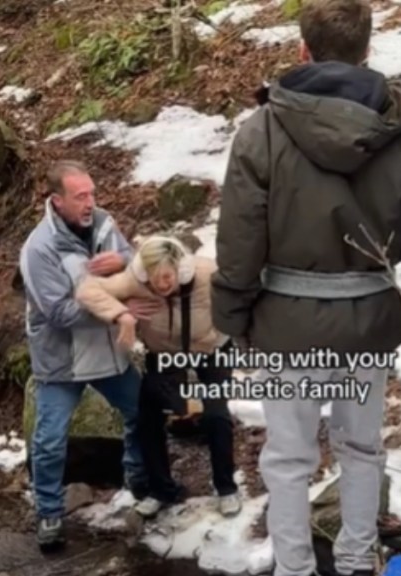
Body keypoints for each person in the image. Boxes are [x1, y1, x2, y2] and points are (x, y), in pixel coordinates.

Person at [211, 0, 401, 572]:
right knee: (362, 449)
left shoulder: (262, 131)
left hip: (287, 325)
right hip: (366, 322)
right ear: (368, 50)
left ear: (302, 49)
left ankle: (295, 569)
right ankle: (353, 562)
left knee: (289, 458)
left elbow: (239, 241)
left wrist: (233, 318)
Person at [20, 160, 147, 550]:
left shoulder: (105, 224)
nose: (91, 202)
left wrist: (124, 262)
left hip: (109, 353)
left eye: (92, 193)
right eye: (81, 196)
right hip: (62, 360)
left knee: (142, 410)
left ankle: (139, 481)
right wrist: (112, 301)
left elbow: (133, 260)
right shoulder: (38, 250)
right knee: (50, 439)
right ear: (57, 201)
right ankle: (49, 512)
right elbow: (58, 313)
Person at [75, 235, 242, 519]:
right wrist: (122, 314)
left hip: (211, 346)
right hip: (165, 352)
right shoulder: (134, 280)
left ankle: (226, 488)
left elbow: (243, 287)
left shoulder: (205, 273)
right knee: (147, 417)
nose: (162, 285)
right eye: (155, 279)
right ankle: (161, 489)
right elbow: (87, 290)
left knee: (216, 415)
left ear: (180, 269)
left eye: (167, 277)